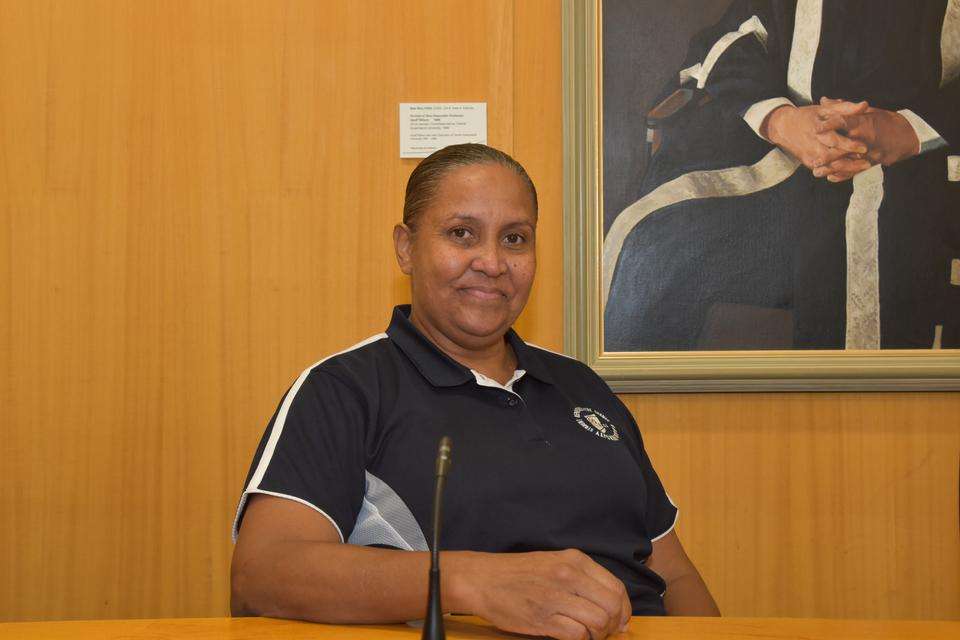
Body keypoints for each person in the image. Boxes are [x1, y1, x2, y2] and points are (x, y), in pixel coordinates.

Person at [231, 143, 719, 639]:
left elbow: (673, 572)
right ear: (406, 248)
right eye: (461, 233)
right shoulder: (346, 389)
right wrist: (471, 581)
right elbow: (263, 573)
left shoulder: (584, 388)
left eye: (514, 238)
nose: (491, 261)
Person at [604, 0, 959, 351]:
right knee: (649, 243)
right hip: (783, 158)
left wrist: (907, 130)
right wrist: (782, 121)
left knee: (894, 251)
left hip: (926, 160)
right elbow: (731, 36)